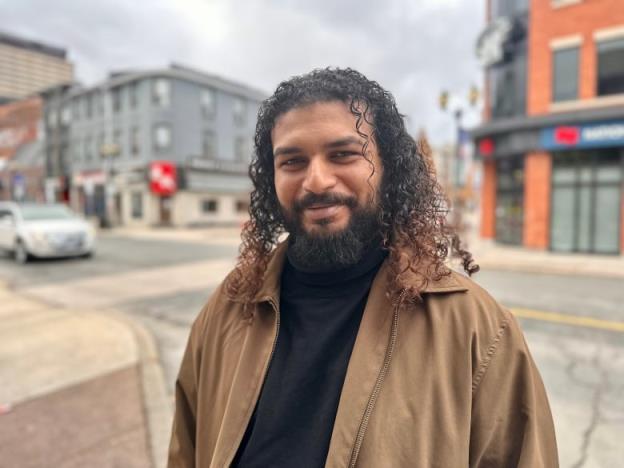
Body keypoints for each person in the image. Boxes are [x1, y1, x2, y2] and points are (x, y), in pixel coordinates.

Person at [168, 68, 558, 468]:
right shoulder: (229, 306)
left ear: (388, 168)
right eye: (293, 161)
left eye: (343, 154)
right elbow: (185, 448)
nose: (316, 181)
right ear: (272, 177)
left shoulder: (477, 328)